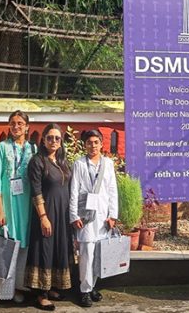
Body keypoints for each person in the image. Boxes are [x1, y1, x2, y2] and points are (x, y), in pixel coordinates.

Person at [0, 110, 38, 311]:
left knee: (21, 248)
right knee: (1, 248)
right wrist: (0, 210)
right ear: (9, 126)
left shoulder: (32, 149)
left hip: (25, 207)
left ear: (27, 127)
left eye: (20, 123)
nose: (16, 126)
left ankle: (14, 288)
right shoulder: (2, 147)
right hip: (6, 206)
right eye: (13, 123)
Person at [24, 124, 73, 311]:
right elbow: (36, 191)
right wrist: (43, 216)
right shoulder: (37, 161)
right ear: (43, 139)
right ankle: (40, 295)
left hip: (62, 213)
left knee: (57, 249)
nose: (53, 141)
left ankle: (51, 288)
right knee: (44, 250)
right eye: (50, 137)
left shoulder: (62, 161)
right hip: (46, 213)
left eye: (57, 138)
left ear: (61, 142)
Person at [69, 129, 118, 308]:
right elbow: (73, 191)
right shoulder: (79, 164)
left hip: (103, 215)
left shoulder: (108, 164)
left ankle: (92, 287)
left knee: (98, 253)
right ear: (85, 144)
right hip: (85, 215)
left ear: (101, 143)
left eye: (96, 142)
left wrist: (113, 215)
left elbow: (112, 190)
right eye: (89, 142)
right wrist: (74, 216)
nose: (93, 146)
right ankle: (84, 290)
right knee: (86, 253)